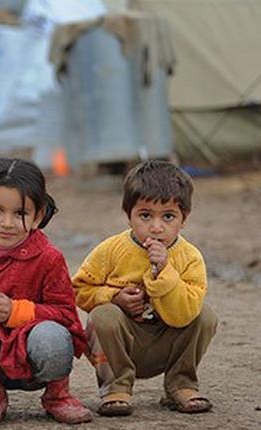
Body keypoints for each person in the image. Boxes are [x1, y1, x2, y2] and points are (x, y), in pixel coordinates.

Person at [0, 158, 93, 427]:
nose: (6, 223)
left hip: (35, 357)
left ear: (39, 216)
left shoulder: (48, 258)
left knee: (53, 335)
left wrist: (16, 311)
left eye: (19, 213)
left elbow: (67, 315)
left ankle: (58, 395)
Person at [72, 160, 217, 417]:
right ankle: (116, 386)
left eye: (168, 216)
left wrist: (165, 272)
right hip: (122, 345)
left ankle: (180, 384)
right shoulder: (111, 250)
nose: (156, 227)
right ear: (129, 214)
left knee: (205, 316)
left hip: (167, 343)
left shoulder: (189, 257)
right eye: (145, 215)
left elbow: (185, 314)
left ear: (184, 218)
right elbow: (78, 289)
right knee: (102, 315)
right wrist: (113, 297)